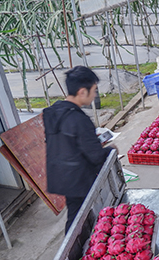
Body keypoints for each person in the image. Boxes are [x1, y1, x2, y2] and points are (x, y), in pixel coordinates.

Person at [43, 66, 114, 234]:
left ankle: (74, 247)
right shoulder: (80, 120)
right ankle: (72, 254)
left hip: (61, 175)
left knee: (75, 212)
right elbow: (96, 156)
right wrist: (111, 150)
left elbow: (67, 142)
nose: (95, 95)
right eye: (94, 91)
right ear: (82, 92)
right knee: (79, 217)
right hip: (78, 179)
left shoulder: (53, 112)